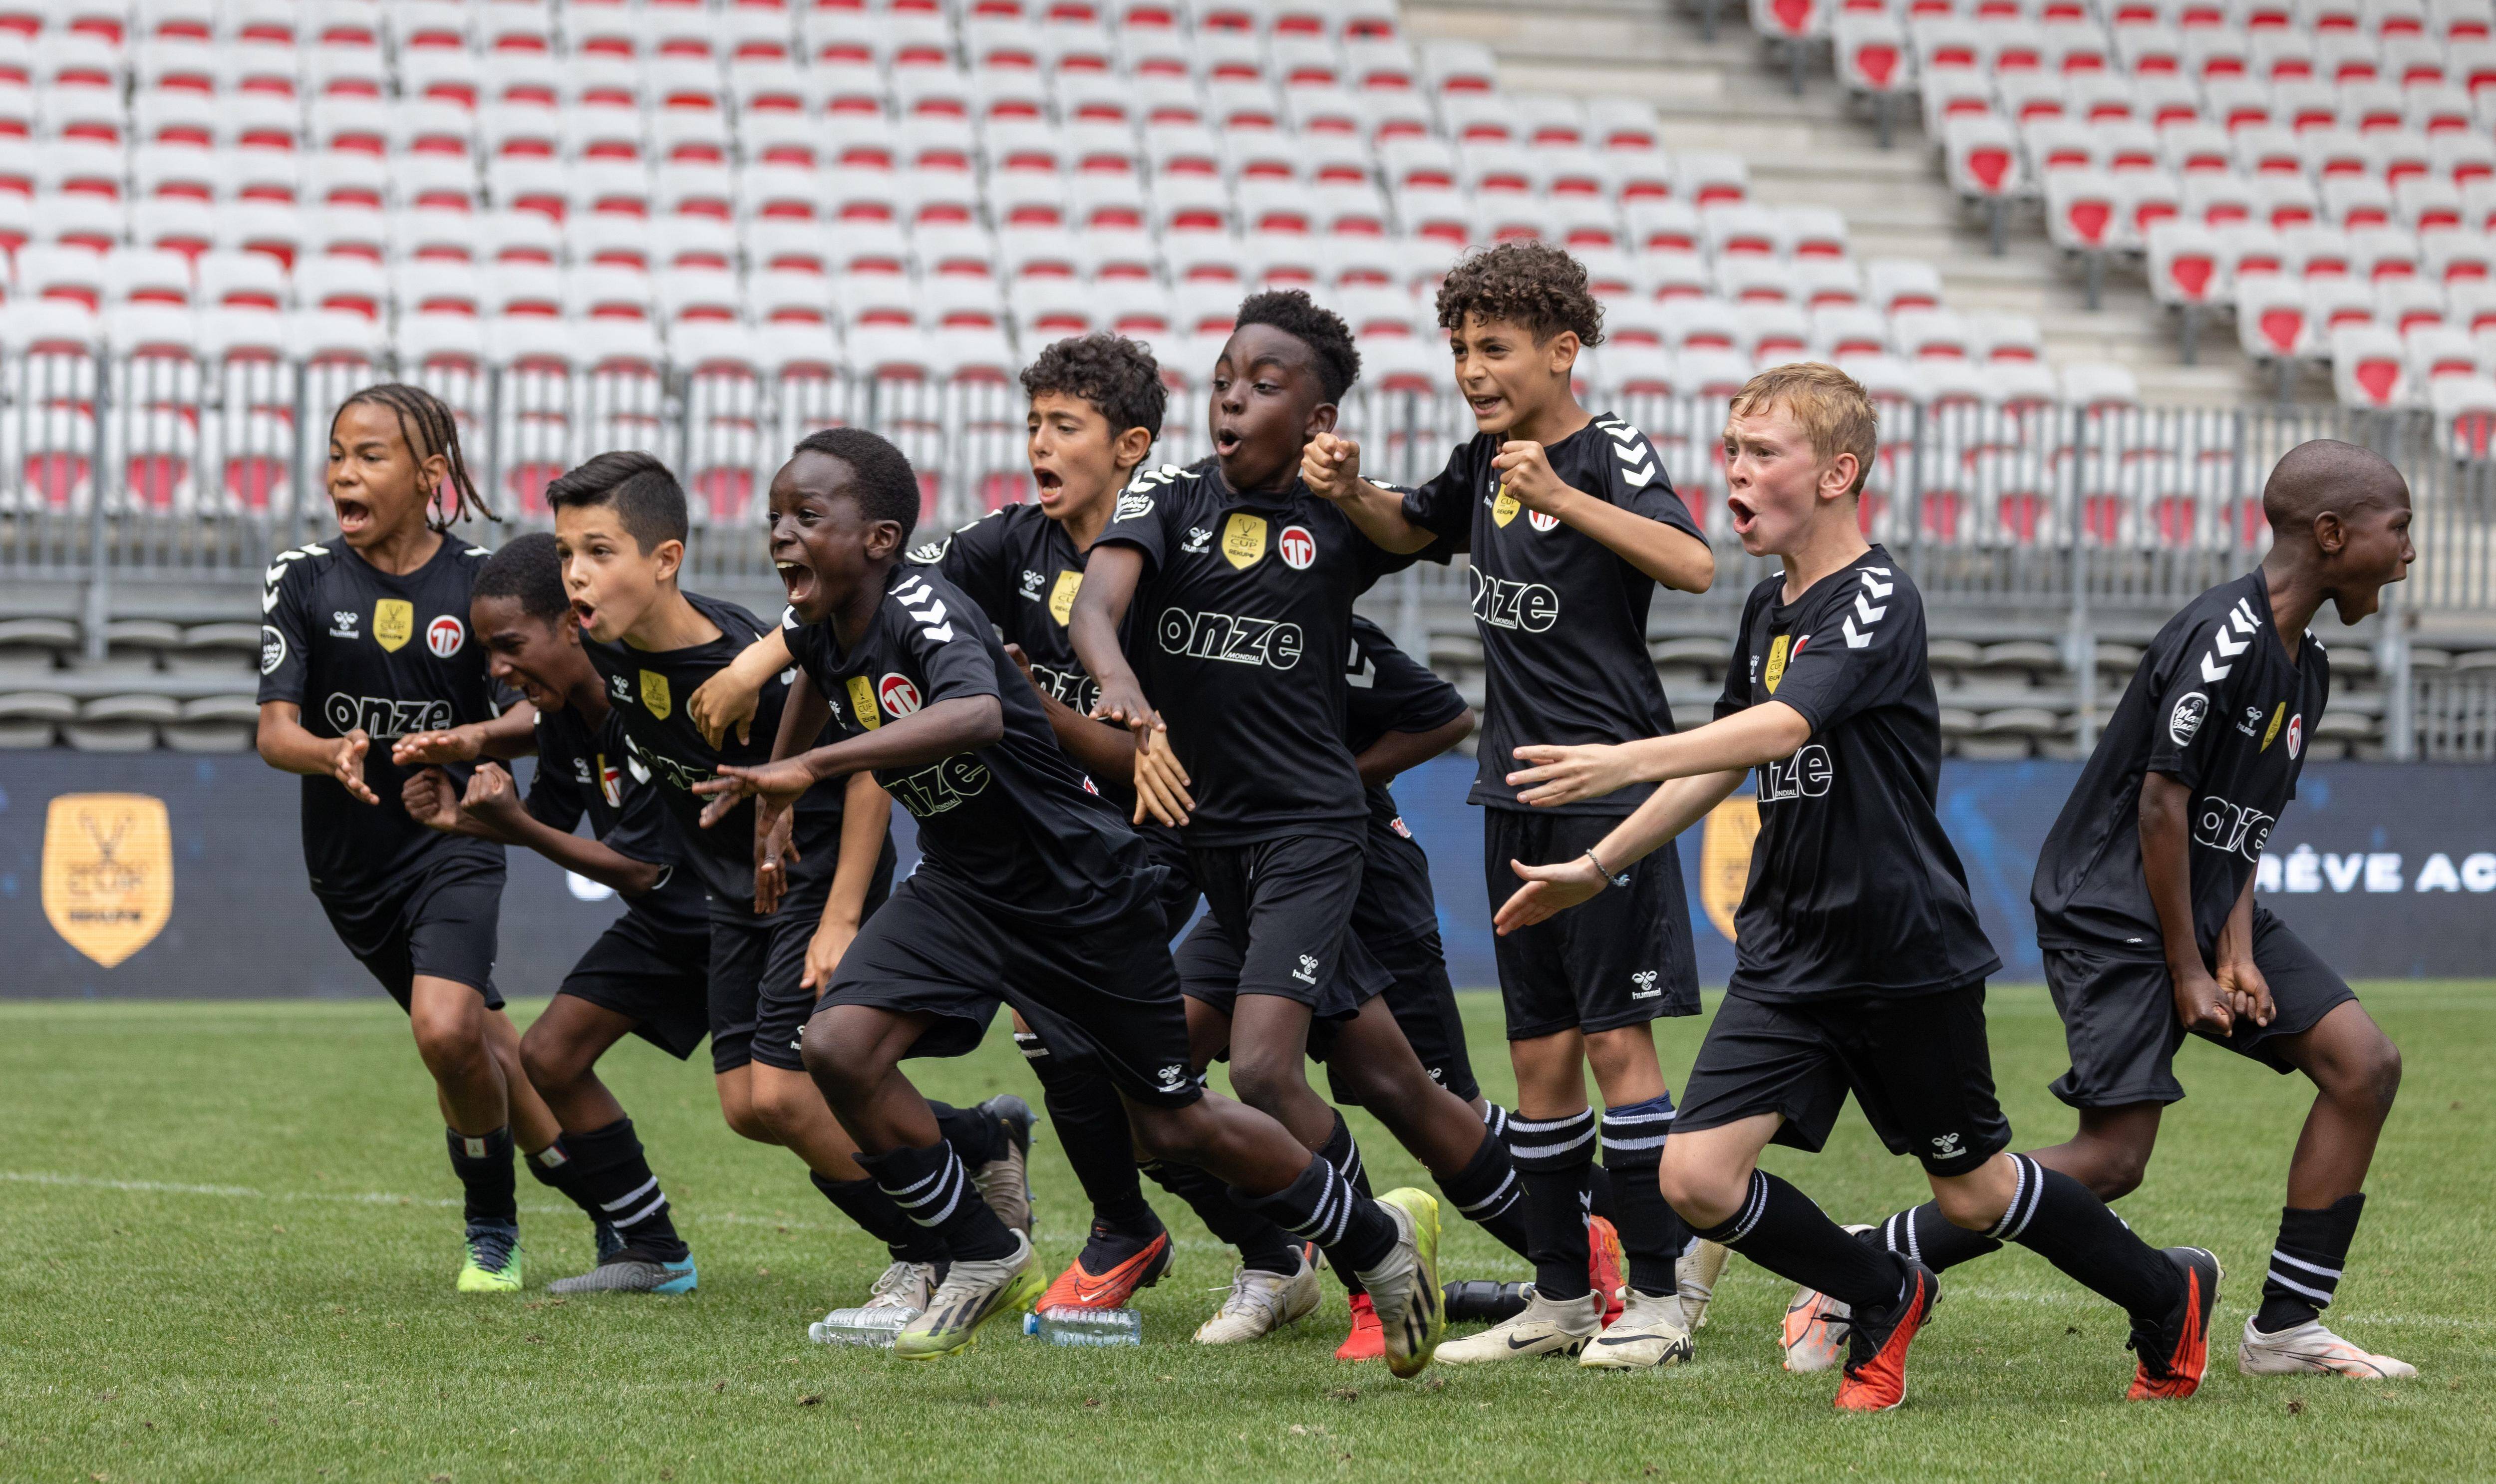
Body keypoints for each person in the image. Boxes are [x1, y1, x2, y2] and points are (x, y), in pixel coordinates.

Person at [1494, 362, 2221, 1411]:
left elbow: (1786, 725)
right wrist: (1597, 864)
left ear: (1838, 472)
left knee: (1973, 1191)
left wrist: (1620, 758)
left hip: (1899, 950)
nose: (1733, 473)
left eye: (1760, 453)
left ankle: (2167, 1292)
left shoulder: (1878, 593)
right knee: (1694, 1177)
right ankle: (1881, 1289)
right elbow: (1729, 760)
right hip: (1789, 948)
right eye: (1730, 450)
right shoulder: (1766, 604)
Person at [693, 427, 1447, 1370]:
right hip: (966, 889)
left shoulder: (926, 608)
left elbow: (974, 713)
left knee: (1174, 1122)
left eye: (807, 516)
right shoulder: (823, 616)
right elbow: (811, 666)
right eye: (775, 518)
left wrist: (809, 763)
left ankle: (1373, 1242)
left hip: (1080, 898)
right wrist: (782, 790)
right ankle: (982, 1246)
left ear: (881, 538)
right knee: (836, 1046)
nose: (782, 535)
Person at [1799, 439, 2418, 1382]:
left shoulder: (2309, 665)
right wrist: (2189, 968)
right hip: (2114, 910)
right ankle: (1864, 1262)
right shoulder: (2225, 637)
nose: (2410, 551)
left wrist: (2239, 951)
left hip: (2202, 910)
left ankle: (2286, 1328)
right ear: (2332, 535)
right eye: (2399, 528)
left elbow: (2239, 823)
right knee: (2117, 1155)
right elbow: (2162, 804)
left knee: (2364, 1064)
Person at [1068, 292, 1528, 1360]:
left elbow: (1426, 535)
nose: (1232, 395)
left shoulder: (1335, 518)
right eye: (1227, 374)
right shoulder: (1171, 496)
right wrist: (1126, 698)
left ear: (1317, 419)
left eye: (1265, 384)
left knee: (1264, 1072)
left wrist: (1355, 485)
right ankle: (1565, 1248)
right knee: (1307, 1082)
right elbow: (1097, 607)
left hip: (1314, 838)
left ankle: (1375, 1258)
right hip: (1220, 850)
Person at [1300, 242, 1723, 1366]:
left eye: (1494, 349)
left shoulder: (1601, 449)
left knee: (1618, 1043)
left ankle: (1662, 1296)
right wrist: (1353, 493)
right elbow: (1409, 531)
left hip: (1607, 787)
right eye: (1459, 350)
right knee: (1538, 1054)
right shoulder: (1483, 457)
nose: (1473, 370)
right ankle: (1559, 1298)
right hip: (1515, 789)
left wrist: (1563, 497)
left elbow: (1692, 563)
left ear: (1561, 349)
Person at [545, 451, 1030, 1330]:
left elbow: (867, 769)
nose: (576, 573)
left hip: (815, 875)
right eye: (566, 553)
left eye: (599, 550)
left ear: (666, 560)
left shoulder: (740, 663)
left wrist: (843, 912)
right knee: (746, 1108)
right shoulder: (607, 653)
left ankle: (933, 1250)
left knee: (786, 1092)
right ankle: (977, 1138)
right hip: (735, 890)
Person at [256, 384, 555, 1292]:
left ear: (430, 476)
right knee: (494, 1055)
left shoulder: (480, 583)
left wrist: (479, 751)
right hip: (351, 869)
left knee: (446, 1027)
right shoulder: (301, 577)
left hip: (452, 838)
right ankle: (633, 1219)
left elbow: (532, 709)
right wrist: (330, 749)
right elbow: (275, 734)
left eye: (370, 455)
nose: (345, 472)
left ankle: (491, 1228)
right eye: (338, 452)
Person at [402, 532, 705, 1294]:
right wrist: (457, 817)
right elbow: (544, 811)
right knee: (551, 1054)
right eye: (487, 654)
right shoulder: (567, 710)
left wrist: (508, 824)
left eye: (509, 646)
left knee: (785, 1096)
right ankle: (654, 1249)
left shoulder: (641, 697)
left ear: (572, 623)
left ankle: (973, 1139)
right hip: (667, 920)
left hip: (732, 917)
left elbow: (636, 861)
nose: (497, 670)